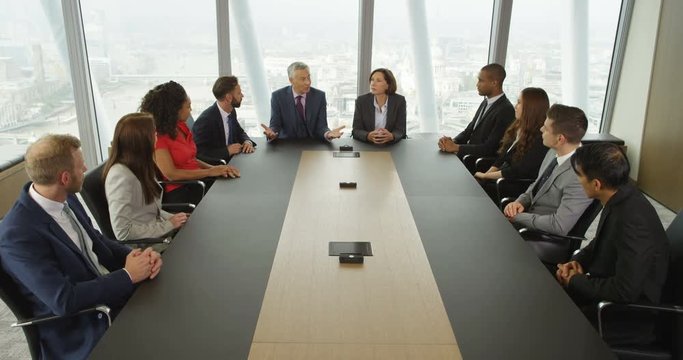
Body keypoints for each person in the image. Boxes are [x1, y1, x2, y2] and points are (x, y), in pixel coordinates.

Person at [0, 134, 162, 359]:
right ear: (64, 177)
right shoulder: (16, 234)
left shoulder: (66, 198)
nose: (86, 167)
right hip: (86, 324)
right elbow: (63, 300)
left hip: (110, 295)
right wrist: (127, 275)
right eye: (80, 165)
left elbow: (97, 240)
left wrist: (136, 256)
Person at [556, 143, 669, 346]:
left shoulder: (632, 220)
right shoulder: (619, 194)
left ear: (597, 184)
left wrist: (575, 281)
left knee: (554, 326)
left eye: (579, 175)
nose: (577, 180)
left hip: (628, 314)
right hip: (610, 294)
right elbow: (601, 241)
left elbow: (625, 291)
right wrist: (576, 260)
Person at [140, 81, 240, 204]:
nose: (190, 110)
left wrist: (216, 168)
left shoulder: (180, 126)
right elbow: (172, 174)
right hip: (182, 190)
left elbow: (192, 159)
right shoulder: (158, 138)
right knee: (230, 199)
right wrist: (209, 172)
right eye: (188, 106)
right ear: (174, 110)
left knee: (235, 187)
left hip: (198, 181)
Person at [503, 104, 592, 235]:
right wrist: (520, 202)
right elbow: (537, 185)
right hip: (526, 220)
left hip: (541, 236)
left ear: (560, 139)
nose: (540, 129)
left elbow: (559, 225)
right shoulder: (552, 152)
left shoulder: (580, 176)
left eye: (546, 129)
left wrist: (518, 217)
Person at [103, 113, 188, 247]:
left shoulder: (140, 164)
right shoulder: (120, 176)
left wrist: (170, 218)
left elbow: (148, 211)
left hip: (157, 235)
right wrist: (168, 225)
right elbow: (123, 232)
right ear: (141, 141)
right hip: (147, 246)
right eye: (153, 133)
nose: (156, 137)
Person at [474, 87, 550, 201]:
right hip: (502, 180)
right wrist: (485, 175)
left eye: (519, 103)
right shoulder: (518, 127)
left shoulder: (540, 138)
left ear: (531, 109)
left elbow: (517, 171)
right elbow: (502, 158)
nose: (515, 106)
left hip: (513, 186)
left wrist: (486, 176)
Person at [438, 63, 515, 159]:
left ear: (494, 83)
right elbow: (468, 132)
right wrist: (452, 142)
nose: (477, 84)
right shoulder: (485, 102)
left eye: (481, 81)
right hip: (467, 157)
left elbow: (489, 148)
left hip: (477, 164)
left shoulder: (506, 110)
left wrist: (456, 147)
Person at [261, 61, 344, 141]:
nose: (308, 82)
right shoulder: (278, 97)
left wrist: (328, 134)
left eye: (309, 77)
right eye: (303, 79)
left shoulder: (319, 96)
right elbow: (275, 125)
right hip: (287, 145)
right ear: (291, 80)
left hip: (312, 144)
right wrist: (272, 133)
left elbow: (322, 126)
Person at [193, 76, 255, 162]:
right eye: (239, 93)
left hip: (234, 161)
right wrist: (227, 151)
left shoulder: (231, 111)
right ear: (229, 98)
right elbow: (198, 153)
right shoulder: (206, 121)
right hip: (217, 167)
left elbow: (239, 132)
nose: (242, 95)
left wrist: (247, 142)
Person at [352, 68, 406, 144]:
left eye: (378, 80)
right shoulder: (362, 101)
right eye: (372, 80)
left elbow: (401, 130)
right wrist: (368, 136)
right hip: (368, 146)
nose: (373, 83)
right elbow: (356, 130)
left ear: (388, 85)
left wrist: (392, 136)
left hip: (391, 146)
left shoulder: (399, 101)